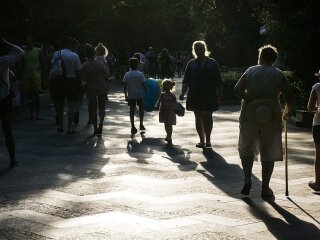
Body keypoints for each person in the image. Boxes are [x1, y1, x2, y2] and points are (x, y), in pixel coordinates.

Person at [234, 44, 293, 198]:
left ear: (260, 56)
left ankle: (247, 178)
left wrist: (251, 98)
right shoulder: (278, 74)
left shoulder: (250, 71)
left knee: (246, 149)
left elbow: (237, 89)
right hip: (271, 117)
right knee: (269, 151)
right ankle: (265, 188)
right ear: (273, 60)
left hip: (249, 115)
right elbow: (289, 94)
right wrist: (288, 110)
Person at [179, 40, 223, 148]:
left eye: (201, 48)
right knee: (198, 117)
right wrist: (182, 92)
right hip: (195, 94)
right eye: (197, 49)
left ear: (205, 49)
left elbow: (219, 80)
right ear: (194, 51)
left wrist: (220, 94)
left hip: (209, 93)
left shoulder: (212, 62)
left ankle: (208, 139)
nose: (199, 50)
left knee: (207, 115)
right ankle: (201, 140)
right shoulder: (191, 63)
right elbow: (186, 80)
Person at [0, 37, 25, 168]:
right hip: (3, 100)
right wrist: (6, 42)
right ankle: (12, 160)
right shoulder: (3, 61)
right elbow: (21, 53)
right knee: (7, 131)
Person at [51, 37, 81, 133]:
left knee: (60, 104)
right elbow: (78, 71)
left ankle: (61, 126)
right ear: (72, 45)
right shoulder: (75, 56)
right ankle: (69, 128)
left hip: (59, 80)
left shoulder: (57, 53)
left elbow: (52, 66)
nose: (77, 47)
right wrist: (80, 83)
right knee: (71, 104)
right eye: (76, 45)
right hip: (71, 81)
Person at [81, 44, 109, 135]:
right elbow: (107, 74)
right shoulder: (100, 63)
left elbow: (83, 80)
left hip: (91, 88)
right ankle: (101, 123)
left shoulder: (84, 65)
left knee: (93, 108)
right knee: (101, 107)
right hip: (102, 87)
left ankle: (95, 127)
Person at [19, 36, 44, 119]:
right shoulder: (23, 52)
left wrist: (44, 74)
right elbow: (21, 64)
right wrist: (19, 76)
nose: (28, 43)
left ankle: (38, 114)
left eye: (29, 41)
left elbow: (42, 62)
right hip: (26, 76)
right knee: (29, 96)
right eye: (26, 41)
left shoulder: (38, 50)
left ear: (32, 42)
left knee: (36, 95)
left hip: (36, 75)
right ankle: (31, 113)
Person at [123, 57, 147, 134]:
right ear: (137, 64)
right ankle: (141, 124)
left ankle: (132, 126)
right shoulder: (140, 74)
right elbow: (144, 85)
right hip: (139, 94)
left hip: (131, 95)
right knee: (141, 110)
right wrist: (146, 91)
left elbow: (125, 86)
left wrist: (125, 96)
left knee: (132, 111)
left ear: (129, 65)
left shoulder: (127, 74)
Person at [306, 69, 320, 191]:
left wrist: (318, 107)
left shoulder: (317, 87)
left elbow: (310, 107)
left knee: (319, 154)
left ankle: (318, 183)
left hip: (319, 124)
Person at [155, 79, 176, 144]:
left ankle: (169, 136)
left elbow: (159, 101)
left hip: (166, 111)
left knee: (167, 124)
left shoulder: (164, 94)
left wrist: (156, 106)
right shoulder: (170, 95)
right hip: (168, 111)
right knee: (168, 124)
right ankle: (168, 135)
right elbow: (175, 104)